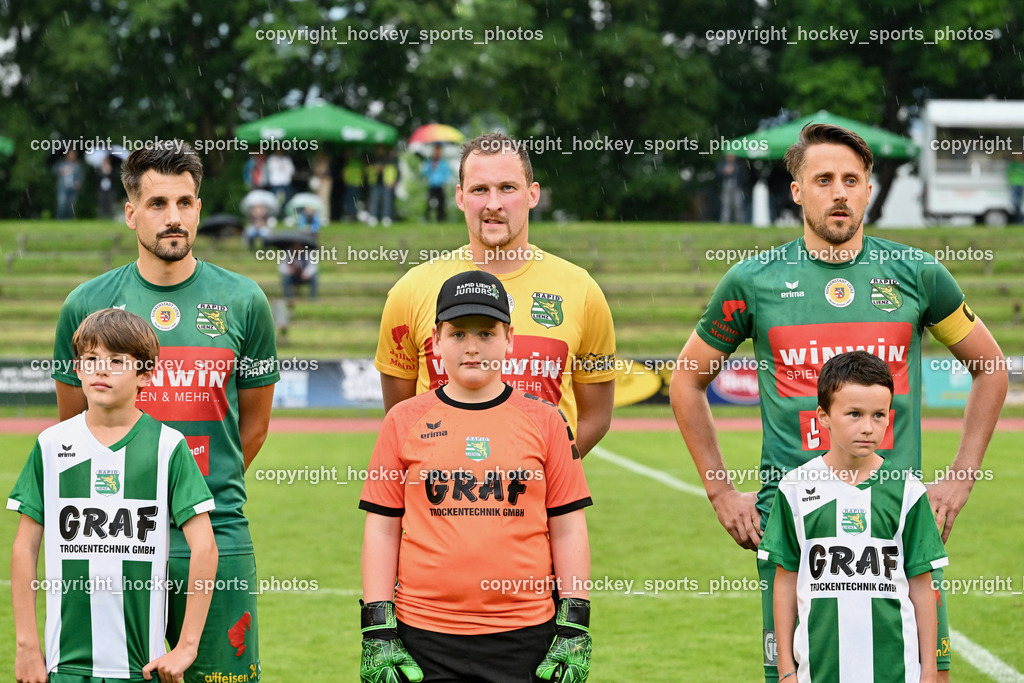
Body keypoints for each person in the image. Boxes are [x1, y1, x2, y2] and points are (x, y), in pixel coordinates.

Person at [670, 123, 1006, 682]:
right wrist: (720, 488)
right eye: (823, 179)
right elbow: (686, 380)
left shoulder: (917, 275)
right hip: (794, 525)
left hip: (895, 523)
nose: (840, 192)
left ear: (870, 189)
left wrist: (962, 476)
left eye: (853, 179)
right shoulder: (754, 281)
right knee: (798, 673)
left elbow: (990, 367)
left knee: (924, 672)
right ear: (797, 190)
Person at [51, 140, 280, 683]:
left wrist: (190, 497)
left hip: (218, 531)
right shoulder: (86, 305)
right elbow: (70, 431)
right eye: (157, 204)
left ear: (200, 207)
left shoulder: (245, 301)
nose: (173, 217)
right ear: (131, 212)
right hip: (116, 534)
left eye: (185, 202)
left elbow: (256, 424)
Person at [359, 270, 593, 683]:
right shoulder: (403, 420)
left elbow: (568, 526)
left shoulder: (547, 421)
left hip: (526, 636)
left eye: (486, 333)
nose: (472, 347)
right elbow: (382, 527)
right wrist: (377, 627)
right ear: (436, 340)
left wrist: (575, 622)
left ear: (509, 339)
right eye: (458, 334)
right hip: (421, 637)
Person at [375, 132, 617, 457]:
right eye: (479, 190)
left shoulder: (582, 291)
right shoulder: (411, 290)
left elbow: (596, 416)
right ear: (460, 198)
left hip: (537, 506)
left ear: (532, 195)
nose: (493, 203)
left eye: (507, 187)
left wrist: (549, 474)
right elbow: (400, 417)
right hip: (439, 504)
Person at [10, 307, 218, 682]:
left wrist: (186, 647)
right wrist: (26, 645)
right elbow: (25, 547)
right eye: (90, 359)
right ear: (77, 368)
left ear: (146, 375)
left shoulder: (169, 447)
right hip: (66, 666)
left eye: (117, 360)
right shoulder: (51, 445)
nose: (100, 369)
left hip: (141, 666)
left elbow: (205, 547)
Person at [760, 351, 947, 683]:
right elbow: (786, 580)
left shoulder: (907, 491)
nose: (867, 427)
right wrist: (785, 669)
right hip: (819, 670)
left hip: (895, 671)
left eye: (879, 415)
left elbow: (922, 586)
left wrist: (930, 670)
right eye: (854, 414)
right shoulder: (794, 488)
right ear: (823, 416)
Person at [422, 144, 451, 222]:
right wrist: (431, 168)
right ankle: (426, 218)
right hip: (432, 184)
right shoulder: (430, 162)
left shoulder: (443, 163)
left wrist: (444, 181)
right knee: (430, 202)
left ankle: (441, 219)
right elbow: (425, 173)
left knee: (441, 203)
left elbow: (447, 173)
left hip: (440, 185)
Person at [717, 153, 747, 224]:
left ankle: (739, 222)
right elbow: (719, 173)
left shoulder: (738, 165)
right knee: (726, 204)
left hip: (737, 186)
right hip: (726, 186)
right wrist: (725, 172)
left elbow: (743, 176)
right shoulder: (723, 164)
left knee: (738, 204)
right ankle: (725, 221)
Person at [55, 150, 84, 220]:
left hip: (73, 187)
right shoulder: (62, 164)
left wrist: (78, 182)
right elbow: (54, 171)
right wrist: (62, 171)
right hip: (63, 187)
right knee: (62, 203)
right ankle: (60, 218)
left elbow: (81, 176)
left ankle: (69, 218)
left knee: (71, 204)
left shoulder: (77, 165)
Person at [1006, 157, 1024, 224]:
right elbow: (1008, 173)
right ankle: (1018, 218)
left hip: (1020, 184)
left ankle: (1018, 219)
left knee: (1018, 202)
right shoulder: (1012, 165)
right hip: (1014, 184)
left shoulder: (1021, 165)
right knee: (1015, 202)